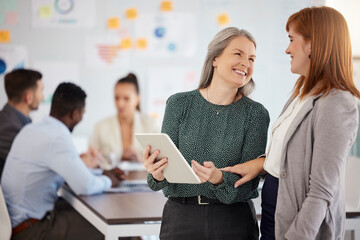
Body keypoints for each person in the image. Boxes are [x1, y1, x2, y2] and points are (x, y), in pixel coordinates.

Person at [222, 6, 360, 240]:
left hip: (299, 226)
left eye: (291, 39)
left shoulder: (337, 103)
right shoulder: (302, 94)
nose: (287, 49)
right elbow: (292, 158)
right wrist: (262, 164)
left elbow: (321, 192)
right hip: (274, 213)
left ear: (313, 45)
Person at [143, 27, 270, 239]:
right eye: (238, 54)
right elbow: (163, 172)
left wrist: (220, 179)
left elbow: (249, 184)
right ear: (215, 59)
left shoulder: (256, 114)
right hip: (181, 218)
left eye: (252, 59)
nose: (246, 64)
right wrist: (156, 172)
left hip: (233, 222)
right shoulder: (179, 104)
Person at [1, 82, 126, 240]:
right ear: (75, 114)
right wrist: (109, 180)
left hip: (16, 222)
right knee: (116, 231)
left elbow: (70, 170)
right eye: (83, 113)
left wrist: (100, 173)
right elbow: (85, 186)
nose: (82, 118)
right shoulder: (58, 137)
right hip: (30, 230)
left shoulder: (31, 129)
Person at [90, 73, 160, 166]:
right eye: (116, 98)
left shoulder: (151, 125)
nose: (120, 104)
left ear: (138, 99)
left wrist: (139, 160)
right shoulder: (100, 127)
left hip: (142, 179)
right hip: (110, 180)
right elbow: (92, 161)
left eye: (126, 98)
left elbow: (160, 162)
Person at [0, 69, 43, 180]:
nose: (42, 97)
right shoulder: (9, 128)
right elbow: (33, 164)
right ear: (28, 97)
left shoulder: (11, 120)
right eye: (41, 91)